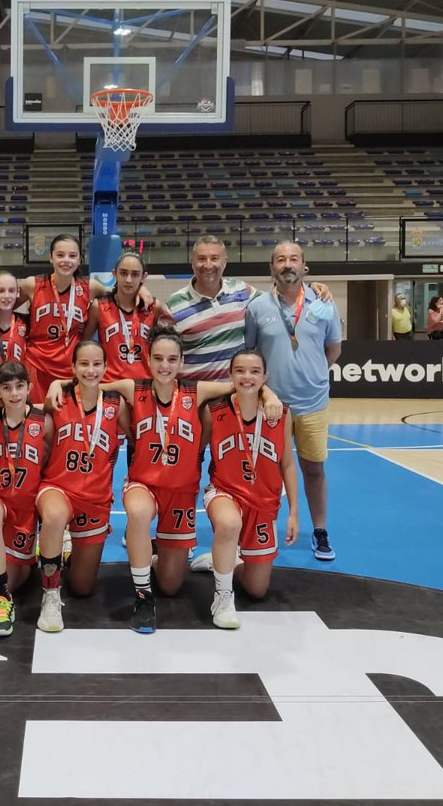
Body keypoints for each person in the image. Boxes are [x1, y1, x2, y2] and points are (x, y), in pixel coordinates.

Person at [48, 326, 246, 633]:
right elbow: (92, 380)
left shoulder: (197, 392)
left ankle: (155, 556)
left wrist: (269, 392)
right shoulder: (133, 388)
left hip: (181, 493)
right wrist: (58, 383)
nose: (165, 366)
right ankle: (143, 597)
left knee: (171, 585)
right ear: (148, 360)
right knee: (138, 513)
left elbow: (241, 385)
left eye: (171, 359)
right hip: (144, 485)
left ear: (181, 362)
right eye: (158, 358)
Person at [244, 242, 341, 562]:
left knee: (314, 469)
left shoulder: (324, 303)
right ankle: (262, 528)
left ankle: (320, 530)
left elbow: (333, 350)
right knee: (266, 471)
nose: (288, 264)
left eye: (294, 259)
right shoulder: (257, 307)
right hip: (272, 407)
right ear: (271, 268)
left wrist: (311, 376)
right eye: (281, 259)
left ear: (305, 267)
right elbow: (251, 356)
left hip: (313, 403)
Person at [0, 234, 147, 401]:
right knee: (38, 421)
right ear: (50, 257)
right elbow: (5, 302)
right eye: (60, 255)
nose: (66, 260)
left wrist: (140, 289)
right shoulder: (32, 285)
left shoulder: (90, 287)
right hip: (37, 367)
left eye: (72, 256)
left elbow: (119, 296)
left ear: (80, 259)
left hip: (70, 370)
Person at [34, 340, 128, 633]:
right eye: (83, 364)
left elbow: (138, 436)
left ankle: (66, 554)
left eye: (96, 364)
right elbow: (18, 407)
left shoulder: (116, 404)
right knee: (53, 517)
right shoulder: (58, 398)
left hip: (96, 499)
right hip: (58, 488)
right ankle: (50, 594)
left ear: (105, 367)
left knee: (83, 587)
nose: (90, 370)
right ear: (72, 368)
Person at [201, 349, 299, 627]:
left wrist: (293, 511)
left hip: (263, 504)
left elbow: (288, 464)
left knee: (258, 590)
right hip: (224, 492)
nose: (247, 376)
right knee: (229, 523)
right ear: (230, 376)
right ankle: (222, 596)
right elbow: (196, 454)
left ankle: (222, 560)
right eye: (240, 371)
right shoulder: (215, 411)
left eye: (255, 371)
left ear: (265, 377)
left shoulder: (281, 414)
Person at [163, 235, 330, 384]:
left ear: (224, 262)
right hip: (193, 399)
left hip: (234, 397)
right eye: (201, 259)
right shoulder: (174, 304)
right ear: (192, 262)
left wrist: (309, 287)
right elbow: (163, 356)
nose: (208, 265)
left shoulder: (242, 291)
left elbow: (279, 293)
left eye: (214, 258)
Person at [0, 360, 47, 636]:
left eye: (19, 386)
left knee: (18, 578)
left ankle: (30, 553)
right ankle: (2, 602)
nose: (14, 393)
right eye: (6, 388)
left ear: (29, 387)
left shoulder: (44, 420)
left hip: (25, 506)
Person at [98, 251, 158, 382]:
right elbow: (85, 342)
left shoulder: (154, 307)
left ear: (143, 277)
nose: (128, 280)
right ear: (114, 274)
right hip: (110, 385)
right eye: (123, 273)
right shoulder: (99, 307)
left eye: (135, 274)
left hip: (145, 384)